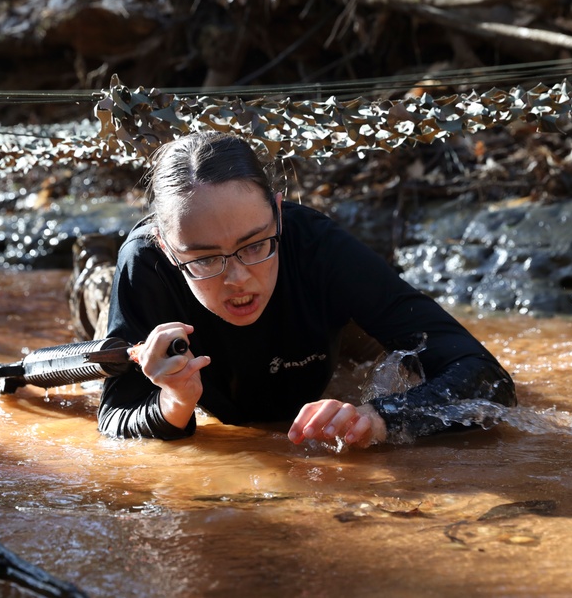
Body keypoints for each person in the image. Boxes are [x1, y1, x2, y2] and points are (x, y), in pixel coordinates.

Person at [98, 132, 516, 446]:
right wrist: (174, 400)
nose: (238, 278)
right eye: (205, 258)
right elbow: (114, 417)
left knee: (381, 353)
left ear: (278, 215)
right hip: (135, 312)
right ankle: (93, 274)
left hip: (328, 332)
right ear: (168, 248)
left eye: (255, 243)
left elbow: (486, 379)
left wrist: (378, 417)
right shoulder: (145, 265)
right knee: (100, 309)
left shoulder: (317, 245)